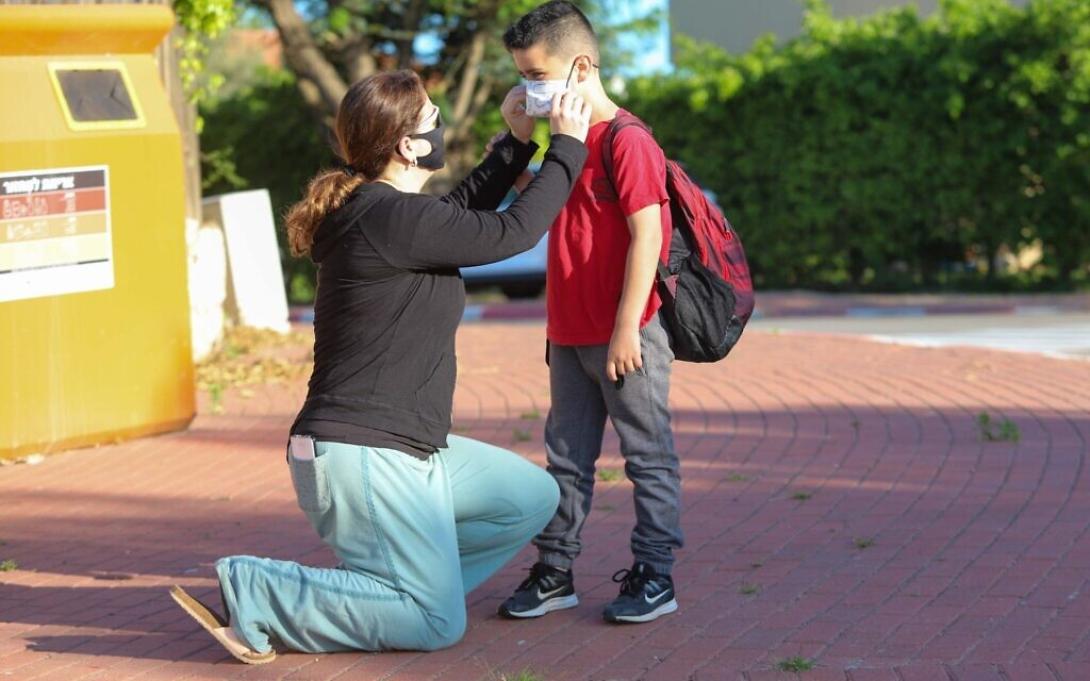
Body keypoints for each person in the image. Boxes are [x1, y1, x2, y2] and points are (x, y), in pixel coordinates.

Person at [169, 69, 591, 664]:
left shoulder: (384, 214)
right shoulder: (388, 217)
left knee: (529, 497)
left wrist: (520, 144)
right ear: (408, 146)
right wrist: (567, 146)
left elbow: (463, 213)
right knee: (437, 625)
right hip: (362, 453)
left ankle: (390, 594)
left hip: (400, 448)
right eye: (432, 118)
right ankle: (263, 589)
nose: (442, 123)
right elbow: (512, 231)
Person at [498, 1, 682, 624]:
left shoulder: (628, 141)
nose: (530, 87)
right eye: (523, 75)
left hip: (624, 335)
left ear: (580, 67)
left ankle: (655, 574)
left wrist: (628, 325)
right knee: (566, 461)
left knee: (646, 455)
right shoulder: (563, 141)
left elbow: (647, 237)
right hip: (568, 331)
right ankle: (556, 572)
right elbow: (529, 207)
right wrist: (518, 140)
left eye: (537, 74)